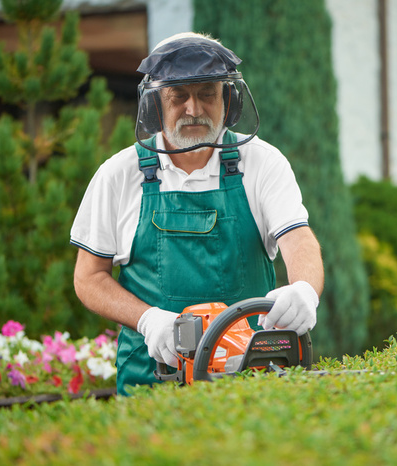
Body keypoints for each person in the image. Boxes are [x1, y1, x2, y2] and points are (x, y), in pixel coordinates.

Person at [70, 32, 324, 396]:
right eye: (179, 96)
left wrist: (303, 290)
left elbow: (298, 238)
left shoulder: (262, 162)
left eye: (207, 94)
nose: (193, 109)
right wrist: (147, 319)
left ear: (229, 100)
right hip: (152, 376)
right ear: (156, 102)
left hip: (250, 375)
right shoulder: (118, 174)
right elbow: (88, 278)